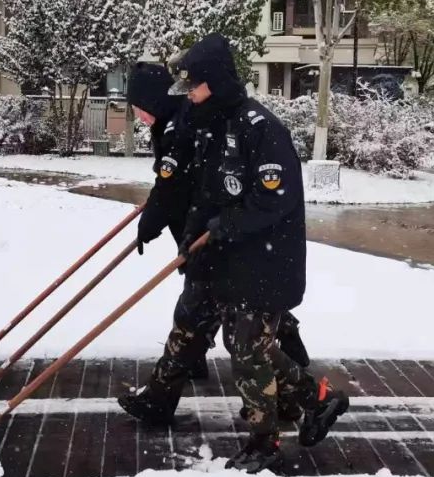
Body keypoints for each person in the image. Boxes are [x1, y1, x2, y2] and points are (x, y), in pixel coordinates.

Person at [119, 35, 349, 474]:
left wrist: (221, 228)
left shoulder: (260, 130)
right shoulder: (215, 125)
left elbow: (271, 202)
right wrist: (191, 237)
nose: (190, 97)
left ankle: (265, 442)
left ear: (217, 82)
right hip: (232, 257)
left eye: (196, 87)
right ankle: (316, 400)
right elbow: (203, 195)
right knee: (245, 344)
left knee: (245, 347)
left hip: (267, 260)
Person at [123, 61, 312, 393]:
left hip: (214, 232)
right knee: (217, 312)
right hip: (205, 227)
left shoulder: (182, 124)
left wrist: (154, 218)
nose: (138, 116)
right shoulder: (177, 118)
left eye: (140, 108)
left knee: (221, 315)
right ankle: (286, 379)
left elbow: (174, 185)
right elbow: (171, 182)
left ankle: (299, 387)